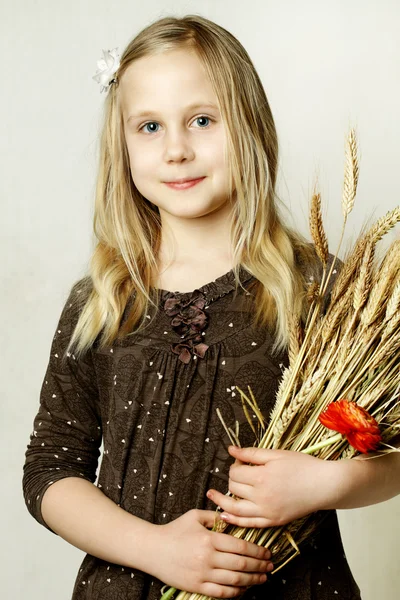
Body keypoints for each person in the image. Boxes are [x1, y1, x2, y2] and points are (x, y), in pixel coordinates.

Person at [23, 14, 378, 600]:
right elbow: (49, 470)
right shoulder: (103, 299)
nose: (177, 150)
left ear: (250, 127)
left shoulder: (316, 288)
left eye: (203, 120)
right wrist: (154, 549)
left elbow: (391, 452)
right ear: (124, 147)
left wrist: (325, 481)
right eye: (150, 127)